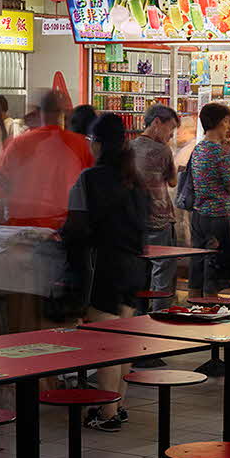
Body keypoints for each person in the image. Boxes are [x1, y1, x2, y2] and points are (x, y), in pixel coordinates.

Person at [62, 113, 151, 430]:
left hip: (103, 267)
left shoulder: (91, 179)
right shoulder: (135, 179)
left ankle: (107, 411)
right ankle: (118, 405)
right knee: (123, 341)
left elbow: (76, 228)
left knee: (106, 344)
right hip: (134, 267)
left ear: (97, 143)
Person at [0, 88, 91, 229]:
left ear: (38, 112)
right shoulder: (80, 145)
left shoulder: (18, 144)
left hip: (21, 229)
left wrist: (1, 225)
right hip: (62, 230)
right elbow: (89, 192)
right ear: (61, 113)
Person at [187, 101, 230, 297]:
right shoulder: (219, 153)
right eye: (227, 122)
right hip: (217, 215)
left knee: (198, 259)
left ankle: (193, 300)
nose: (229, 127)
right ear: (222, 122)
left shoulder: (199, 149)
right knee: (216, 262)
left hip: (199, 213)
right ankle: (210, 302)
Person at [131, 104, 179, 305]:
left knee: (139, 274)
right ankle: (159, 320)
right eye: (171, 128)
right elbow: (173, 181)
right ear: (157, 123)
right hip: (159, 219)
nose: (171, 135)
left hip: (135, 220)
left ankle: (138, 318)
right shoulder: (163, 150)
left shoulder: (128, 147)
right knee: (163, 274)